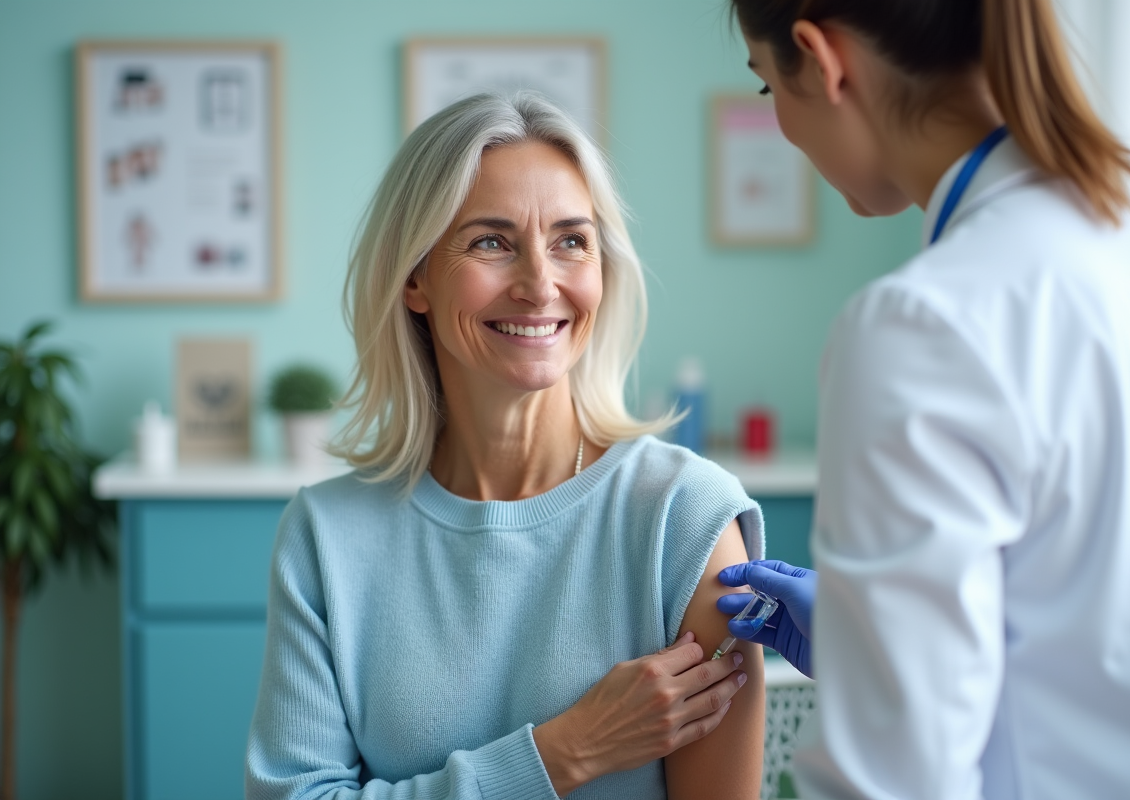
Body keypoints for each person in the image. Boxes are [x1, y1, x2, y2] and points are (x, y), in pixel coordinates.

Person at [716, 0, 1130, 798]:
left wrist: (879, 681)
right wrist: (868, 645)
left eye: (769, 90)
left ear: (822, 58)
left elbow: (892, 784)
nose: (785, 132)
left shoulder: (922, 325)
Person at [245, 92, 767, 800]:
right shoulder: (326, 537)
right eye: (491, 241)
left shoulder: (687, 521)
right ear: (415, 277)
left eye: (571, 241)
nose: (540, 283)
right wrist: (560, 755)